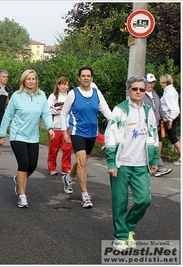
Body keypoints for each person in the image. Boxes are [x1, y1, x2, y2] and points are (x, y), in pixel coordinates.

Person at [104, 75, 159, 252]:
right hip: (121, 164)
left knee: (144, 200)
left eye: (141, 89)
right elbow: (111, 136)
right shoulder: (120, 110)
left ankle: (127, 227)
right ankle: (120, 236)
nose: (138, 92)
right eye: (134, 89)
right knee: (119, 202)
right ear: (128, 91)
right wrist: (111, 162)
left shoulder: (149, 111)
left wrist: (154, 159)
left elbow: (153, 136)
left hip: (141, 164)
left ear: (145, 91)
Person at [0, 69, 55, 208]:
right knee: (23, 164)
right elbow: (7, 116)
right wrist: (2, 134)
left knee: (32, 166)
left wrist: (50, 127)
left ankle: (18, 179)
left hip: (33, 136)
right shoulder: (17, 97)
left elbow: (46, 114)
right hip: (18, 136)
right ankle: (22, 196)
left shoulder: (41, 96)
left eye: (33, 79)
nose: (31, 81)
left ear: (36, 81)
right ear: (24, 81)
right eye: (28, 79)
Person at [60, 67, 112, 208]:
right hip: (77, 132)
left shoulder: (97, 93)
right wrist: (65, 132)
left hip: (92, 134)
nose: (86, 78)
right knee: (82, 163)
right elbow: (64, 113)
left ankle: (68, 177)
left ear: (92, 78)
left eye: (88, 76)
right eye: (83, 75)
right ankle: (85, 196)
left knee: (82, 161)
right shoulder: (73, 93)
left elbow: (106, 111)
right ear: (79, 78)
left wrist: (117, 123)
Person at [143, 73, 172, 177]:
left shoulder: (154, 94)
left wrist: (164, 116)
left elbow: (159, 108)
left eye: (153, 82)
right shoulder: (141, 94)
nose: (151, 85)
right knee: (150, 147)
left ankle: (158, 167)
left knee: (153, 146)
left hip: (154, 126)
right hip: (144, 126)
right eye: (149, 83)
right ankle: (157, 167)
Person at [47, 76, 73, 176]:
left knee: (68, 148)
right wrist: (60, 109)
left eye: (67, 85)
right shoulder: (52, 96)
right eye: (63, 84)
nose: (65, 87)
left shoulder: (71, 96)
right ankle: (51, 167)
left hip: (67, 127)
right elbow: (48, 109)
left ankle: (66, 168)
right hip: (55, 127)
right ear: (58, 85)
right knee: (53, 149)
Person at [159, 74, 181, 165]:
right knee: (172, 137)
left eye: (161, 82)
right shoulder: (170, 90)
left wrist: (170, 120)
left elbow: (175, 109)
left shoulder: (169, 93)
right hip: (170, 117)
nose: (160, 84)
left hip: (168, 117)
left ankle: (157, 159)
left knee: (160, 137)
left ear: (165, 82)